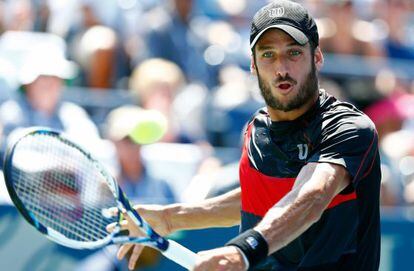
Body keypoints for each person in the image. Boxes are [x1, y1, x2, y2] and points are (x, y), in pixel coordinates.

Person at [108, 1, 381, 270]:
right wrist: (170, 218)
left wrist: (243, 251)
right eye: (267, 54)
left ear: (317, 57)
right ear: (252, 64)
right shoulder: (256, 131)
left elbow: (312, 196)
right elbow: (258, 198)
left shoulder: (349, 128)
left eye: (294, 53)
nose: (281, 68)